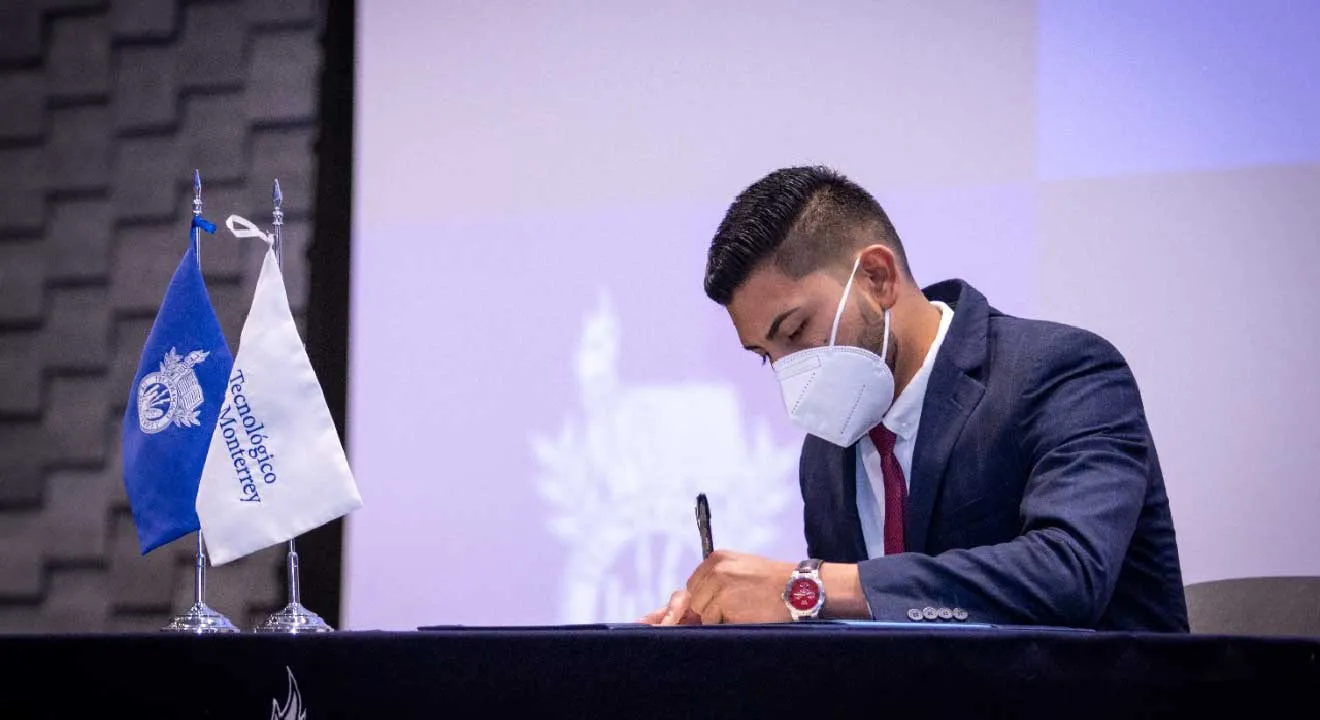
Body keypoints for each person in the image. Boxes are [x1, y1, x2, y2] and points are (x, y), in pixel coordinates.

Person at [642, 165, 1188, 631]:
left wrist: (805, 587)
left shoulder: (1061, 371)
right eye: (766, 354)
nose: (790, 370)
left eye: (795, 329)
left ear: (878, 278)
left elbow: (1070, 574)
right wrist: (730, 625)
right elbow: (851, 646)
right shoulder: (826, 452)